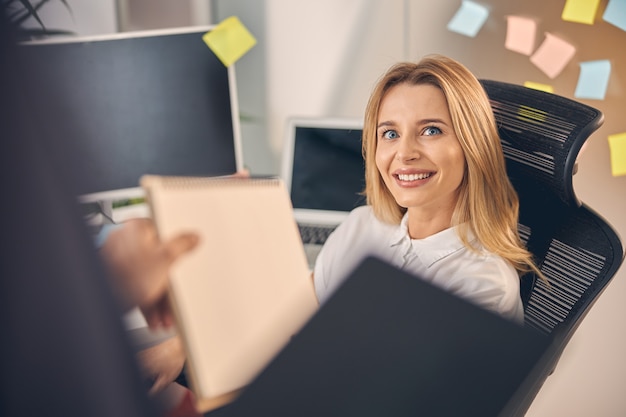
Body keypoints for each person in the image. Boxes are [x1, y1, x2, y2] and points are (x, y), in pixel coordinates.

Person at [313, 55, 542, 323]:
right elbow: (295, 319)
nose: (405, 153)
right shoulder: (360, 225)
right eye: (390, 134)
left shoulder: (483, 285)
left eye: (431, 130)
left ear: (473, 146)